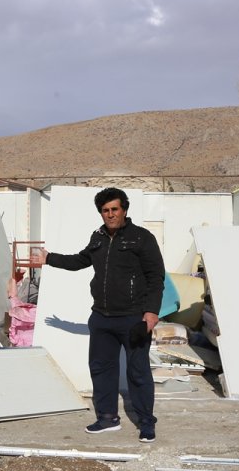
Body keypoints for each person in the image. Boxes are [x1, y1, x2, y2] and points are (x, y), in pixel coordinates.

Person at [34, 188, 165, 442]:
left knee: (138, 371)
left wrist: (151, 312)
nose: (110, 214)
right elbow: (80, 260)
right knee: (101, 369)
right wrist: (50, 258)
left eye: (115, 209)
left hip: (133, 317)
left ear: (124, 210)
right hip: (102, 317)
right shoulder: (98, 237)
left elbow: (155, 277)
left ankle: (146, 422)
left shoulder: (141, 238)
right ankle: (107, 418)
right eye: (105, 210)